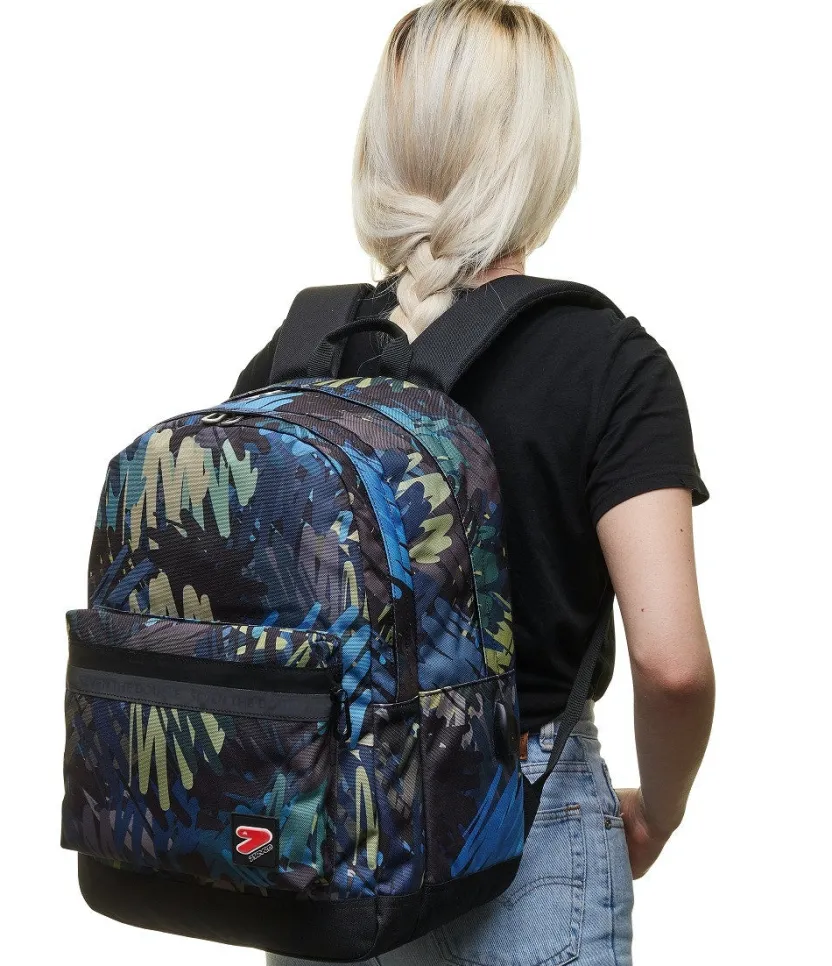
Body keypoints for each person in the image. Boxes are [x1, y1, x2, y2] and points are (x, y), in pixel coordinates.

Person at [232, 2, 715, 964]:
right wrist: (659, 812)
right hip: (531, 827)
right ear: (543, 155)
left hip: (325, 840)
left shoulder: (295, 360)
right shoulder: (607, 363)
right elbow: (672, 667)